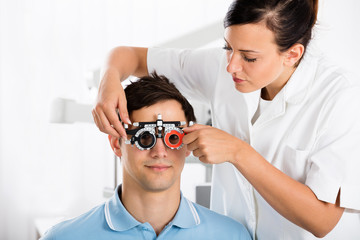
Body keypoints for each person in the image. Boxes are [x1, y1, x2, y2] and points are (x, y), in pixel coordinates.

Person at [92, 0, 360, 239]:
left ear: (292, 54)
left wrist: (238, 152)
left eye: (249, 57)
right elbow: (129, 55)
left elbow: (323, 220)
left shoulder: (340, 97)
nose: (231, 65)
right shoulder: (223, 67)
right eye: (228, 47)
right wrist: (108, 82)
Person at [41, 72, 251, 240]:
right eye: (145, 139)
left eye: (173, 138)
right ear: (117, 143)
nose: (160, 152)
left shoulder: (232, 235)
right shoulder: (63, 237)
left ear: (188, 143)